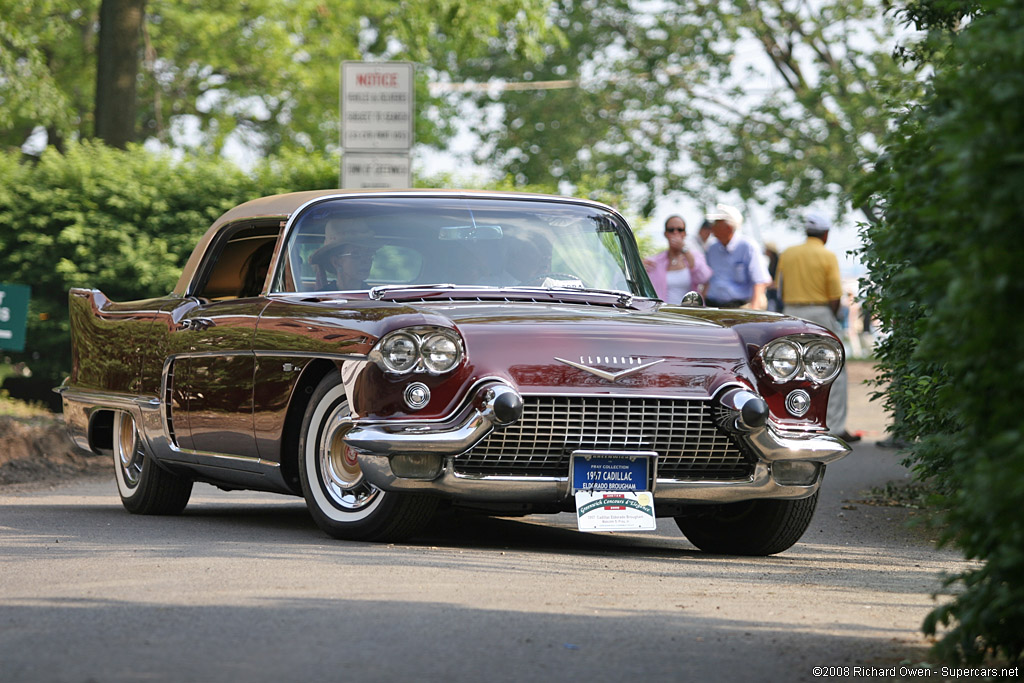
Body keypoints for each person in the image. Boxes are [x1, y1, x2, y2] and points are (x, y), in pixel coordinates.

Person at [775, 212, 860, 443]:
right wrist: (830, 317)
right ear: (825, 234)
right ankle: (834, 427)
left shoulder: (788, 254)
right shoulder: (827, 255)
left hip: (791, 312)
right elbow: (834, 295)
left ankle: (788, 423)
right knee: (835, 370)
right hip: (820, 312)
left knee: (789, 369)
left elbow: (779, 289)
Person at [703, 204, 771, 309]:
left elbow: (759, 281)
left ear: (729, 227)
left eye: (716, 223)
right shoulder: (712, 248)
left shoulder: (748, 247)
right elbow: (708, 279)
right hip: (713, 306)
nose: (712, 227)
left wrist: (754, 311)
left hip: (739, 308)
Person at [644, 215, 712, 303]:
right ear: (665, 234)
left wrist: (685, 250)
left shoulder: (694, 256)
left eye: (680, 230)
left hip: (688, 313)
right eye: (671, 230)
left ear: (684, 234)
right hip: (664, 313)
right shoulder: (657, 261)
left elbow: (704, 278)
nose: (675, 233)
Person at [309, 218, 377, 290]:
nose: (366, 260)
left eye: (368, 253)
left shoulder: (376, 297)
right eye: (356, 254)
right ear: (336, 262)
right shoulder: (321, 297)